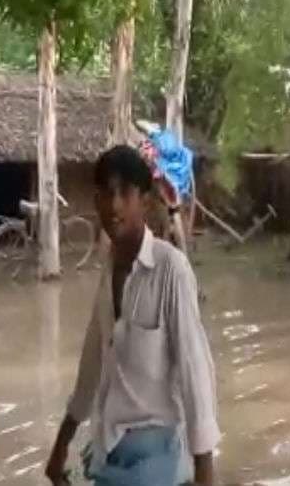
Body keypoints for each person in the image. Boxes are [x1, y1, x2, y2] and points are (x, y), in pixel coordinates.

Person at [45, 145, 220, 486]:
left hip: (159, 454)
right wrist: (61, 444)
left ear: (146, 201)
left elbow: (194, 371)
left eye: (125, 193)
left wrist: (205, 474)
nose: (114, 205)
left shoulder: (170, 269)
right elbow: (92, 363)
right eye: (105, 194)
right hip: (109, 447)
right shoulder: (109, 267)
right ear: (95, 201)